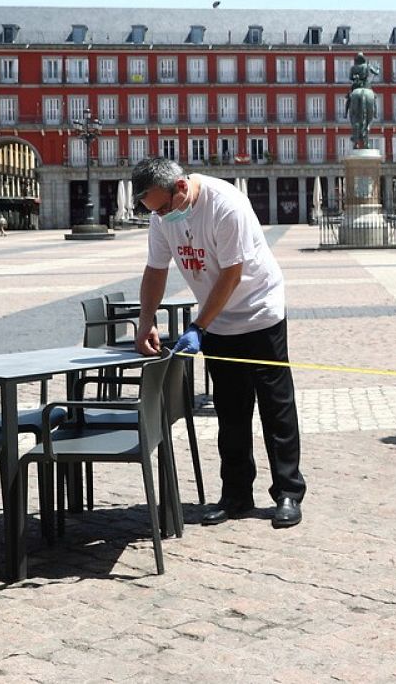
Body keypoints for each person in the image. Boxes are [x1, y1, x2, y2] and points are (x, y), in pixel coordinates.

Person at [131, 156, 307, 529]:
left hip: (259, 311)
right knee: (230, 411)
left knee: (275, 407)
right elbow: (155, 270)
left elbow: (231, 275)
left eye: (163, 208)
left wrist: (198, 326)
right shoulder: (161, 217)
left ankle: (288, 492)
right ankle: (236, 495)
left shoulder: (226, 205)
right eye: (153, 211)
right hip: (218, 320)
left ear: (181, 187)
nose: (160, 217)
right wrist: (146, 322)